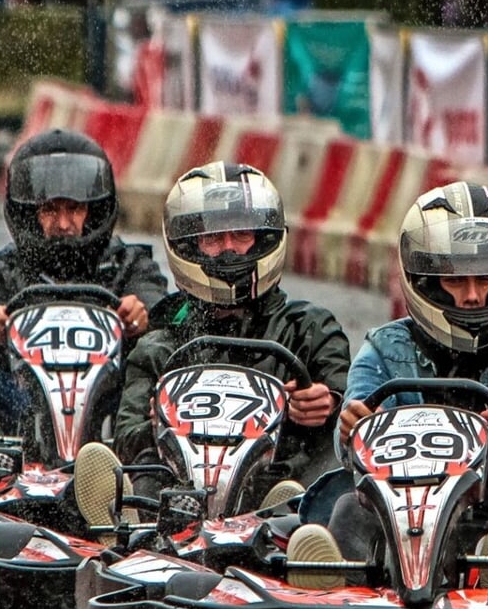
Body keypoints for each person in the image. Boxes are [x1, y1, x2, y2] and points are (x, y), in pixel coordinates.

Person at [286, 182, 488, 594]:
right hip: (407, 520)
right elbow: (349, 431)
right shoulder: (384, 350)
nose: (473, 297)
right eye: (454, 281)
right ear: (424, 281)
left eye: (487, 278)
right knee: (356, 497)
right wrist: (353, 429)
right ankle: (338, 583)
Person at [69, 162, 352, 530]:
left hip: (274, 485)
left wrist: (327, 405)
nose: (229, 251)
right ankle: (129, 521)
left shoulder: (310, 328)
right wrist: (157, 424)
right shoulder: (162, 339)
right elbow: (126, 435)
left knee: (331, 469)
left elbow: (353, 406)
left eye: (240, 235)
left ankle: (288, 526)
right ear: (190, 247)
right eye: (213, 240)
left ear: (264, 238)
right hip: (179, 495)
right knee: (141, 472)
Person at [0, 129, 168, 435]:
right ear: (30, 213)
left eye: (74, 209)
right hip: (21, 404)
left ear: (93, 210)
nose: (62, 223)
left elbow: (159, 312)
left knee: (162, 344)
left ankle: (136, 451)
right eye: (50, 209)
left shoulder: (129, 264)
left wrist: (142, 317)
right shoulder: (3, 268)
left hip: (109, 405)